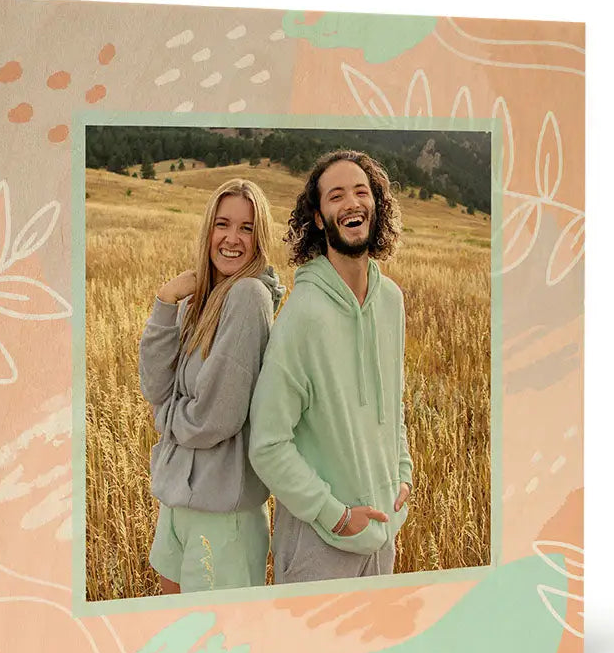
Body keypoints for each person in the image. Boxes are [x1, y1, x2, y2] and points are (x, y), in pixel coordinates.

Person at [248, 150, 413, 583]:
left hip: (382, 540)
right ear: (319, 218)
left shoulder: (391, 301)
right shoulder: (303, 314)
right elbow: (267, 443)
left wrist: (403, 474)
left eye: (362, 192)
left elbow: (393, 406)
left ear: (377, 205)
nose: (352, 203)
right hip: (318, 548)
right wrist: (334, 515)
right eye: (336, 196)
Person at [139, 179, 284, 594]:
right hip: (177, 501)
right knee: (174, 638)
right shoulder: (203, 299)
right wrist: (166, 302)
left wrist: (167, 417)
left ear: (261, 237)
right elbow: (154, 384)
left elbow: (214, 419)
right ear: (208, 229)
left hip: (222, 517)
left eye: (247, 227)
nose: (232, 239)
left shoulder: (248, 297)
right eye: (223, 224)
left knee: (210, 650)